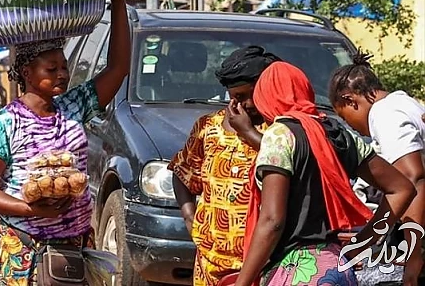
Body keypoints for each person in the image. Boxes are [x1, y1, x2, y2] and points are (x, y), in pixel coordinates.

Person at [0, 0, 130, 285]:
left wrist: (118, 3)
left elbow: (118, 68)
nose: (62, 74)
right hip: (21, 252)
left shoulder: (74, 107)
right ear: (27, 73)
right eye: (52, 68)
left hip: (73, 251)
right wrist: (32, 210)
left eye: (64, 67)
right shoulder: (2, 124)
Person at [234, 61, 416, 286]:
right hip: (337, 269)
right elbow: (402, 189)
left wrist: (243, 282)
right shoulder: (338, 134)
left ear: (265, 99)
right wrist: (359, 245)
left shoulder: (279, 135)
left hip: (295, 272)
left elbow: (272, 221)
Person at [169, 46, 281, 286]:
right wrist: (190, 218)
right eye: (235, 97)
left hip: (260, 264)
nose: (242, 105)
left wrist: (247, 132)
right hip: (209, 262)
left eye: (248, 96)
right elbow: (181, 172)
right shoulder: (209, 127)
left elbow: (283, 157)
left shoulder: (279, 130)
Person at [329, 52, 425, 285]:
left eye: (345, 117)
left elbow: (413, 178)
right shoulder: (404, 102)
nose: (351, 127)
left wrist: (413, 257)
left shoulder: (384, 114)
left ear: (351, 100)